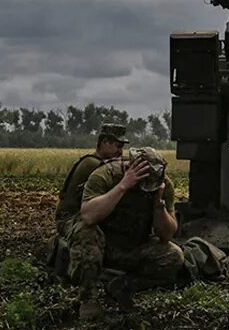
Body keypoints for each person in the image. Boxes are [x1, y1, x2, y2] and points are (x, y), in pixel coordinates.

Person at [76, 146, 183, 319]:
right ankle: (89, 298)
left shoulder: (163, 185)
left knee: (174, 255)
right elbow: (88, 216)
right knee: (86, 232)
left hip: (134, 245)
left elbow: (167, 235)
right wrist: (123, 186)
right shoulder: (105, 176)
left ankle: (122, 286)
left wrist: (158, 205)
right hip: (104, 244)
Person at [50, 123, 129, 288]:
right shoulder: (95, 166)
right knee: (90, 232)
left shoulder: (94, 162)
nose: (120, 152)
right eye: (118, 146)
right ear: (105, 142)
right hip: (69, 218)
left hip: (79, 213)